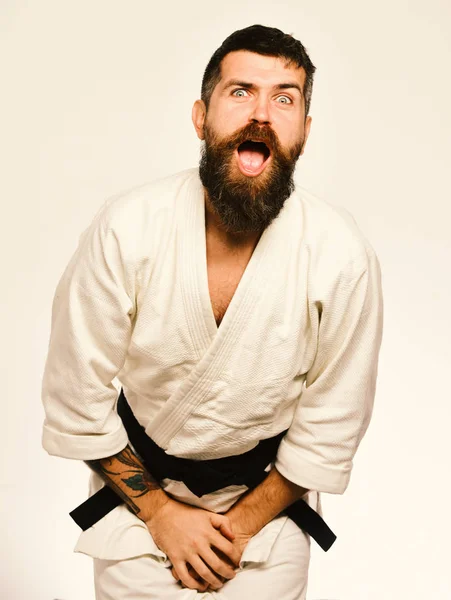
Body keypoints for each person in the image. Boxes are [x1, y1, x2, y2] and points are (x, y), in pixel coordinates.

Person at [41, 24, 384, 600]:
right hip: (137, 497)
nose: (261, 114)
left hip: (269, 507)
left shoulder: (339, 252)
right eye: (240, 91)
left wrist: (241, 526)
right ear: (201, 117)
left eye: (285, 98)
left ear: (303, 129)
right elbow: (78, 396)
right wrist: (160, 514)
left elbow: (332, 422)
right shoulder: (129, 227)